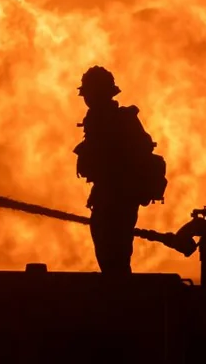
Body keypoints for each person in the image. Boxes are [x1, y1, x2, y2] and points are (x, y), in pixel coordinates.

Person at [72, 66, 163, 274]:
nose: (87, 100)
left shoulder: (120, 121)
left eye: (90, 94)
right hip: (107, 198)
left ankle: (119, 298)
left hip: (118, 201)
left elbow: (127, 161)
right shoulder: (99, 121)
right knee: (109, 259)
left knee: (115, 259)